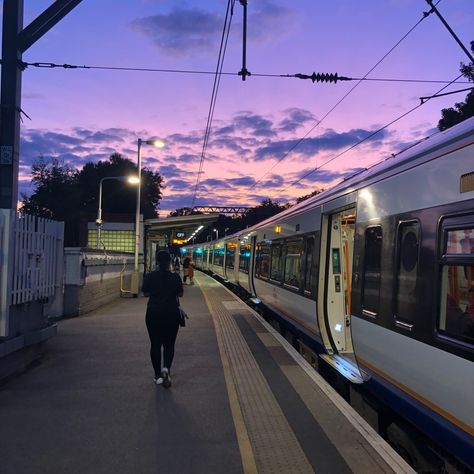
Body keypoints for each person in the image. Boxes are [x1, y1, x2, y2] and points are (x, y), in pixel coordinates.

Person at [142, 250, 184, 388]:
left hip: (153, 314)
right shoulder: (176, 277)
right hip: (171, 314)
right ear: (170, 262)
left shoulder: (149, 276)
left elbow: (145, 292)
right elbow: (180, 294)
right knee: (169, 344)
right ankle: (166, 369)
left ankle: (156, 375)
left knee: (155, 344)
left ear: (157, 262)